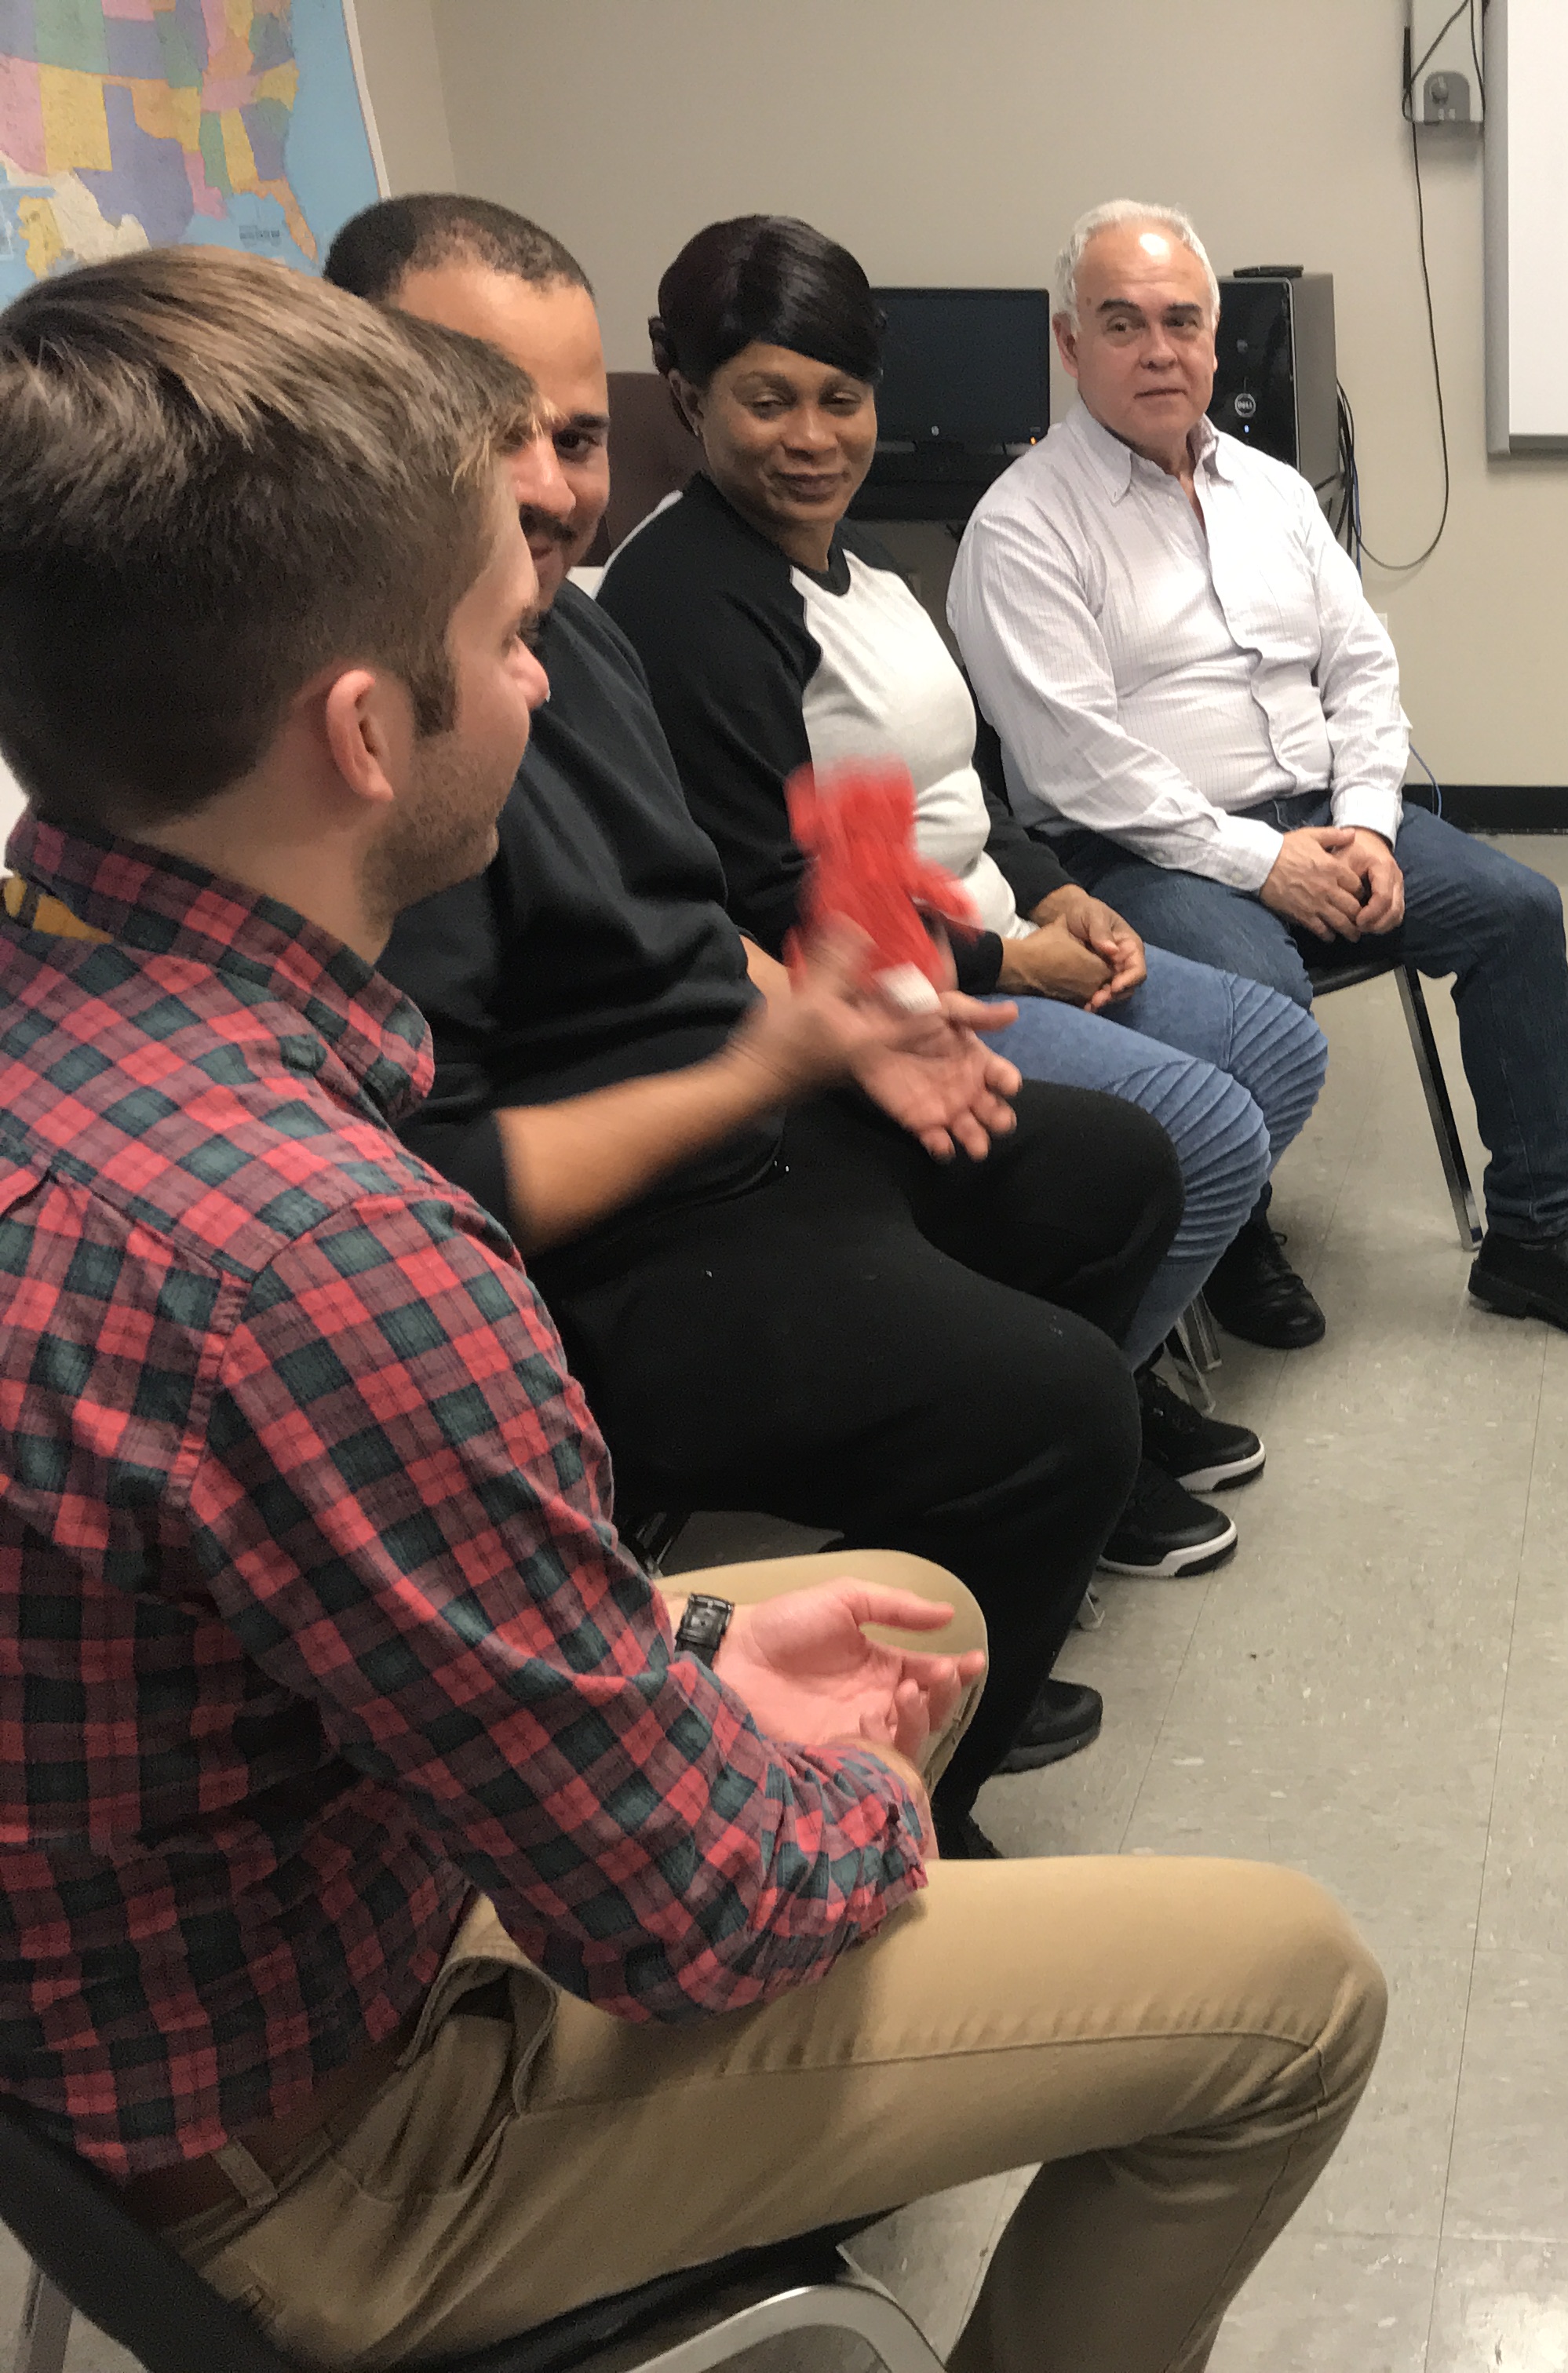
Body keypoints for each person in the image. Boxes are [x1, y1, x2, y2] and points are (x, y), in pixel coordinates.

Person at [0, 244, 1381, 2373]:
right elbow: (689, 1915)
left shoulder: (74, 1046)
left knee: (903, 1598)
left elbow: (304, 1602)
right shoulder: (332, 1260)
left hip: (153, 2014)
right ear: (365, 733)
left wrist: (686, 1641)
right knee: (1293, 1991)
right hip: (331, 2151)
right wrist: (837, 1784)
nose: (546, 668)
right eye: (497, 635)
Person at [324, 194, 1183, 1829]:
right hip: (620, 1241)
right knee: (1057, 1411)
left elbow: (699, 918)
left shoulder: (568, 634)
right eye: (481, 425)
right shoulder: (381, 751)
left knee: (1112, 1170)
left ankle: (918, 1639)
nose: (547, 482)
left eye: (576, 435)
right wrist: (782, 1058)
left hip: (748, 1114)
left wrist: (839, 1016)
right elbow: (443, 1176)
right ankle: (877, 1811)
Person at [600, 213, 1335, 1574]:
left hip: (985, 926)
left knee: (1278, 1047)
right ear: (694, 400)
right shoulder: (693, 600)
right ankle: (1066, 1425)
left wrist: (1053, 896)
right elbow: (774, 892)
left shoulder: (850, 564)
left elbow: (962, 788)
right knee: (1204, 1132)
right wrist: (1002, 965)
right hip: (881, 984)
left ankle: (1090, 1376)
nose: (813, 437)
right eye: (768, 401)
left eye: (841, 399)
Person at [950, 199, 1568, 1351]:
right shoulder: (1023, 529)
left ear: (1214, 335)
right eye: (1124, 323)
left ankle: (1537, 1239)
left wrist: (1368, 827)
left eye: (1183, 323)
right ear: (1069, 342)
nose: (1160, 351)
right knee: (1262, 997)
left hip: (1322, 821)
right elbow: (1078, 767)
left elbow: (1361, 669)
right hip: (1140, 854)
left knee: (1518, 911)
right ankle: (1235, 1236)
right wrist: (1268, 862)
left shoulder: (1275, 492)